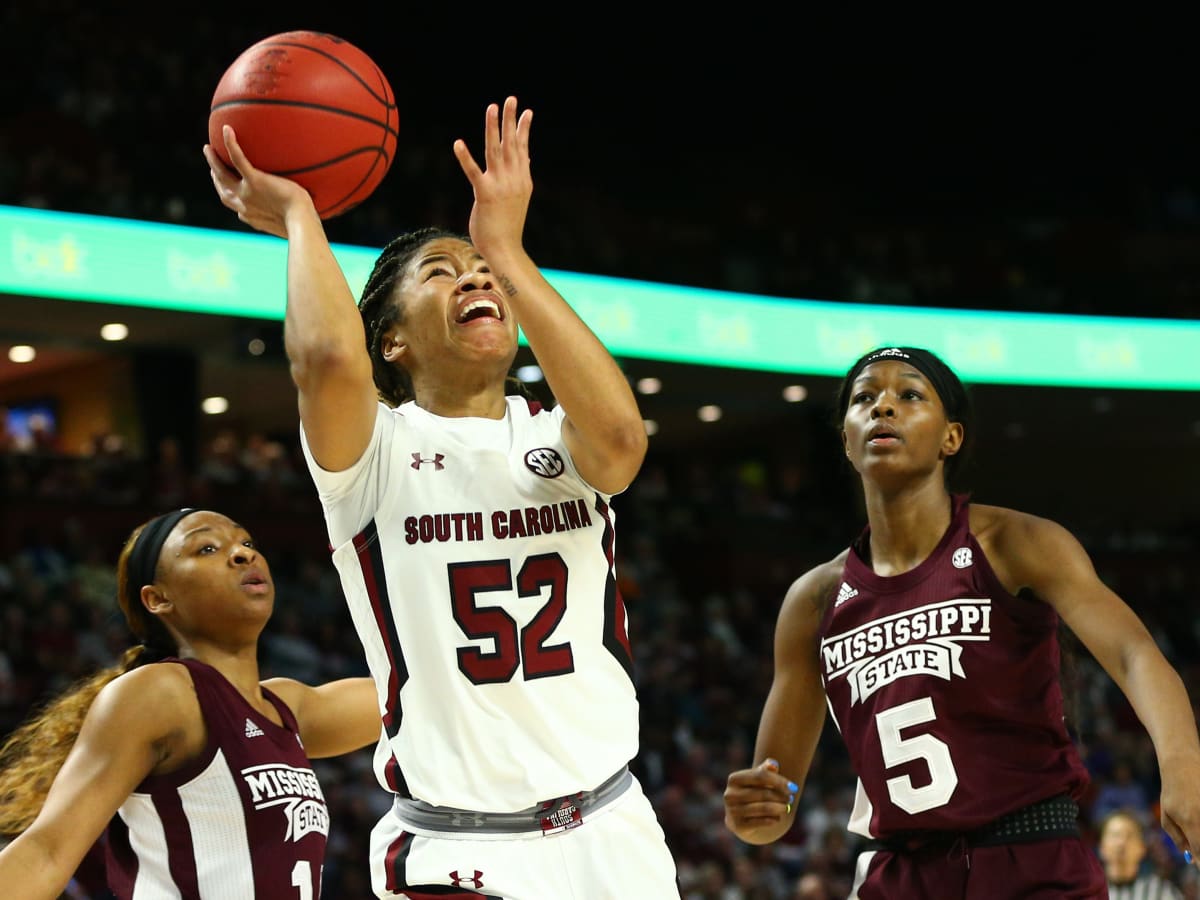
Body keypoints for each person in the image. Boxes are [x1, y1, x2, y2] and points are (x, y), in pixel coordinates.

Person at [202, 96, 681, 898]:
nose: (474, 279)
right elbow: (324, 356)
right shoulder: (374, 454)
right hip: (460, 849)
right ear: (390, 338)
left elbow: (626, 447)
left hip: (615, 827)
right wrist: (297, 214)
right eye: (442, 272)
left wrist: (508, 249)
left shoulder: (559, 437)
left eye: (481, 273)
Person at [722, 346, 1200, 898]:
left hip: (1031, 860)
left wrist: (1183, 764)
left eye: (909, 395)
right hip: (901, 873)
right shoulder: (814, 600)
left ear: (951, 437)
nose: (883, 408)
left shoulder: (1017, 543)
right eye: (864, 399)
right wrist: (753, 814)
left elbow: (1132, 654)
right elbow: (774, 802)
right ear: (846, 441)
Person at [0, 508, 381, 899]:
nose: (242, 554)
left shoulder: (288, 706)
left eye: (247, 542)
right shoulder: (162, 692)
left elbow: (413, 695)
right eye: (207, 548)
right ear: (158, 598)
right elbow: (46, 851)